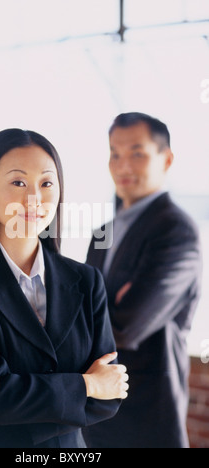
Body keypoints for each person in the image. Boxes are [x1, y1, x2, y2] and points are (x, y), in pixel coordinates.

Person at [0, 129, 129, 449]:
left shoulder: (87, 281)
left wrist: (6, 402)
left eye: (46, 183)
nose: (33, 199)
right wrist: (87, 385)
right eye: (18, 182)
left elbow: (109, 399)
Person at [83, 113, 202, 448]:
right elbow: (76, 306)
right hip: (95, 415)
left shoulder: (176, 231)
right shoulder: (102, 233)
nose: (123, 165)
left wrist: (93, 309)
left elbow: (127, 324)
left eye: (137, 152)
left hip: (147, 416)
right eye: (114, 153)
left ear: (166, 159)